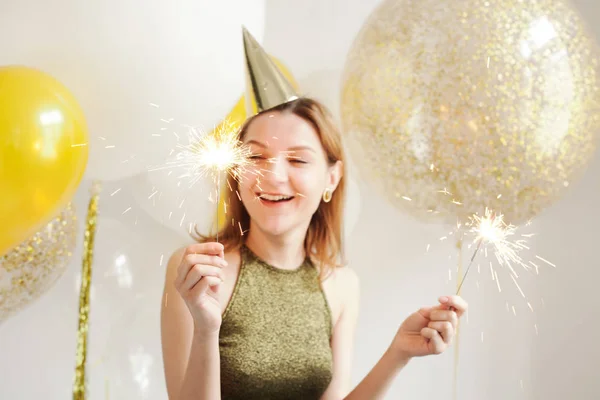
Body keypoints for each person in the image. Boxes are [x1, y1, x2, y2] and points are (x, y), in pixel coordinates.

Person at [160, 28, 468, 400]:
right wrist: (206, 328)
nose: (273, 176)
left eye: (297, 159)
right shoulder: (198, 272)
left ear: (331, 177)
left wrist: (399, 353)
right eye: (256, 157)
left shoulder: (341, 285)